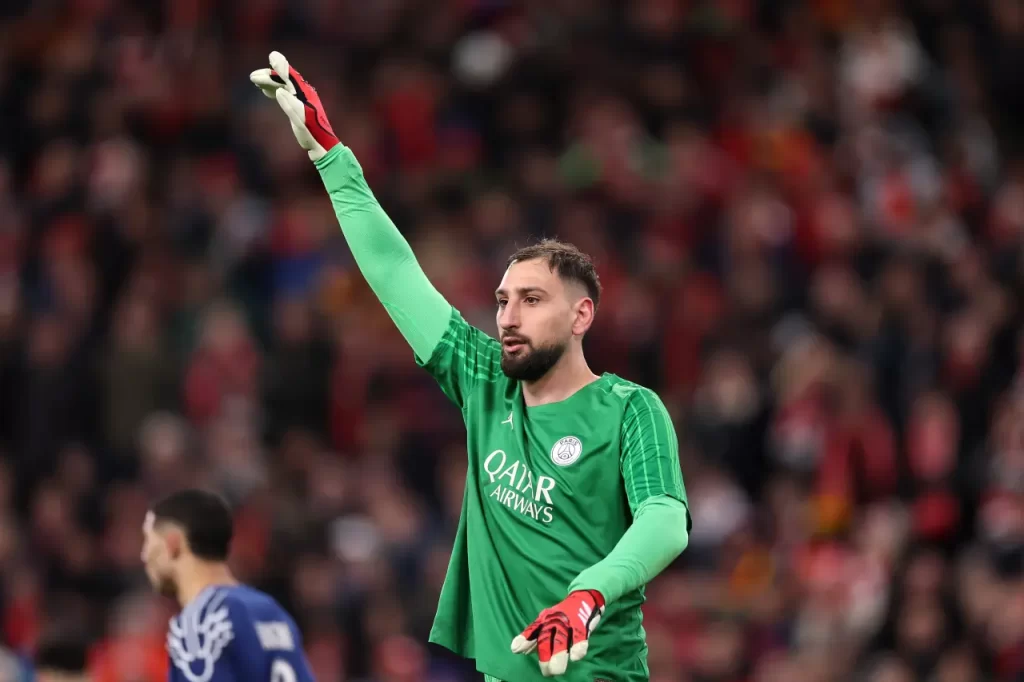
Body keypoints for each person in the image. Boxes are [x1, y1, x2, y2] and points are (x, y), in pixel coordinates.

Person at [251, 51, 691, 682]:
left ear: (581, 316)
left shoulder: (630, 410)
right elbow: (395, 270)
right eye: (503, 301)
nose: (508, 316)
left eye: (532, 300)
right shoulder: (483, 381)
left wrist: (588, 594)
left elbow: (666, 520)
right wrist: (330, 156)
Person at [140, 489, 316, 682]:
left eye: (148, 540)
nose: (144, 555)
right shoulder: (271, 611)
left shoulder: (202, 621)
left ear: (172, 544)